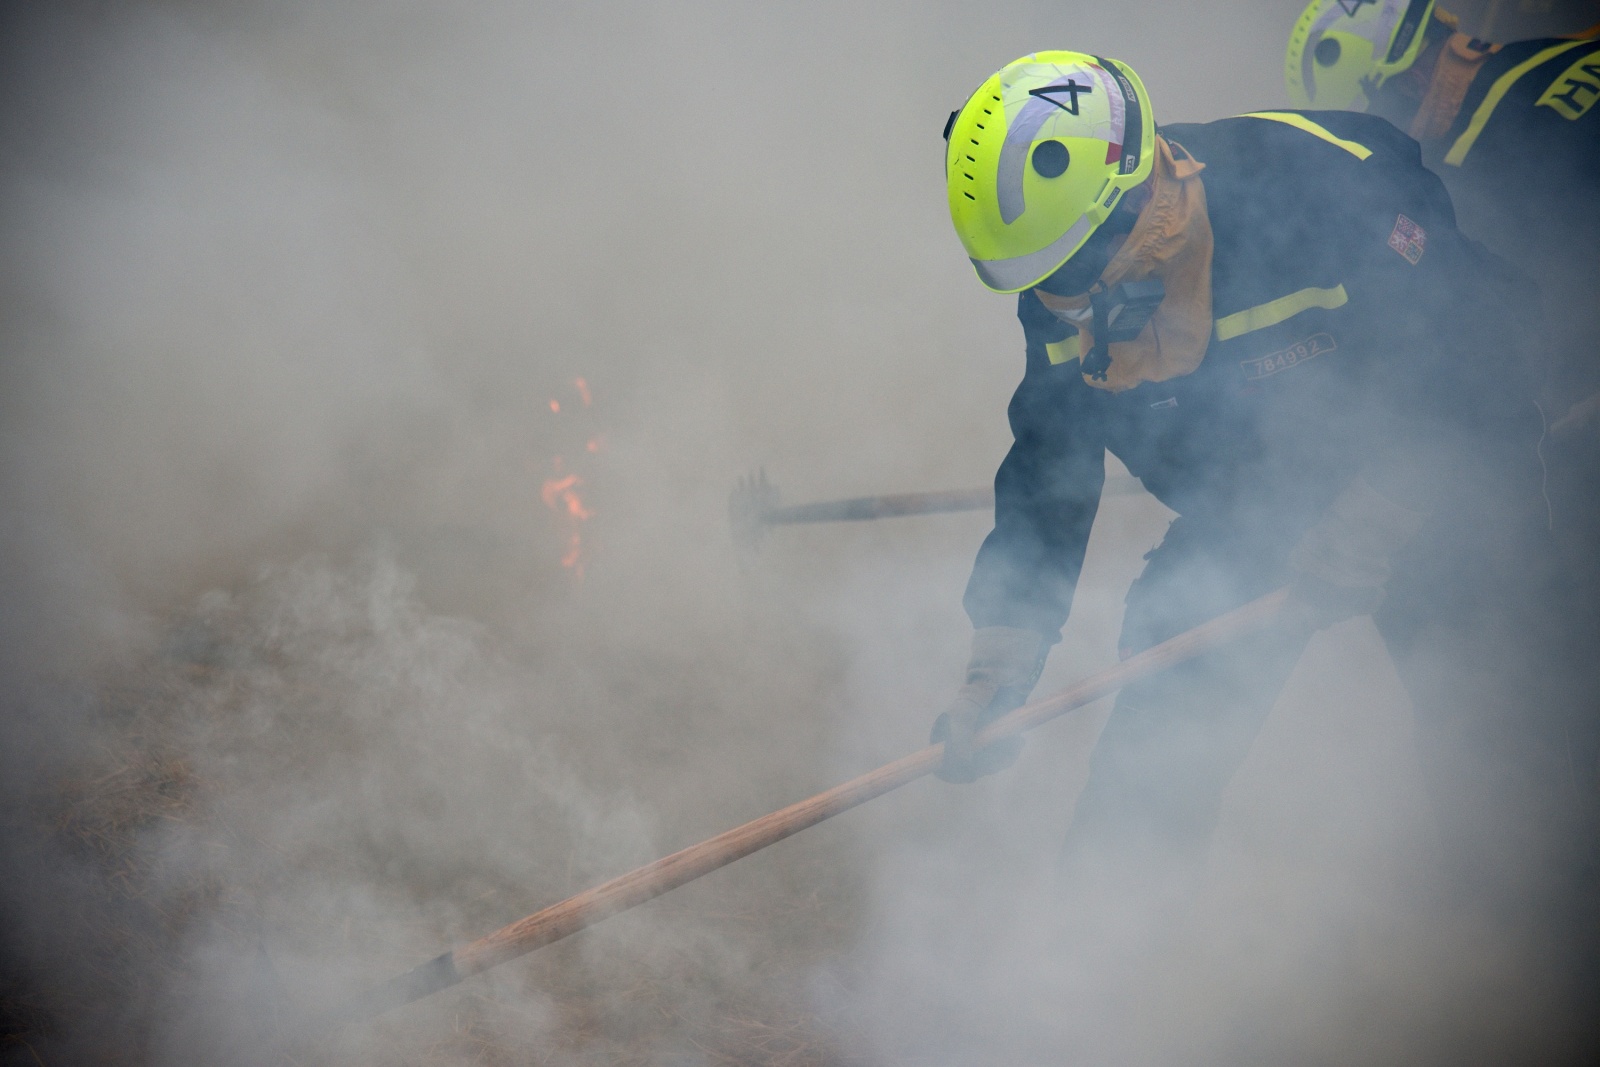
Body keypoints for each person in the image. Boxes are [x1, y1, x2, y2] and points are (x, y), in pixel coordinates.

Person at [929, 50, 1593, 997]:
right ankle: (1086, 991)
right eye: (1042, 282)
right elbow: (1048, 461)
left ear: (1140, 189)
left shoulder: (1325, 181)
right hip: (1254, 503)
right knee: (1162, 721)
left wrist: (1376, 518)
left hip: (1446, 471)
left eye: (1072, 269)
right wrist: (998, 663)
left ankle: (1535, 977)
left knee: (1509, 735)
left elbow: (1485, 352)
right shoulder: (1065, 292)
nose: (1064, 301)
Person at [1286, 0, 1600, 562]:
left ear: (1408, 77)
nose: (1400, 131)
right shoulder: (1548, 56)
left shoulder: (1488, 134)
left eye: (1382, 105)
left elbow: (1534, 290)